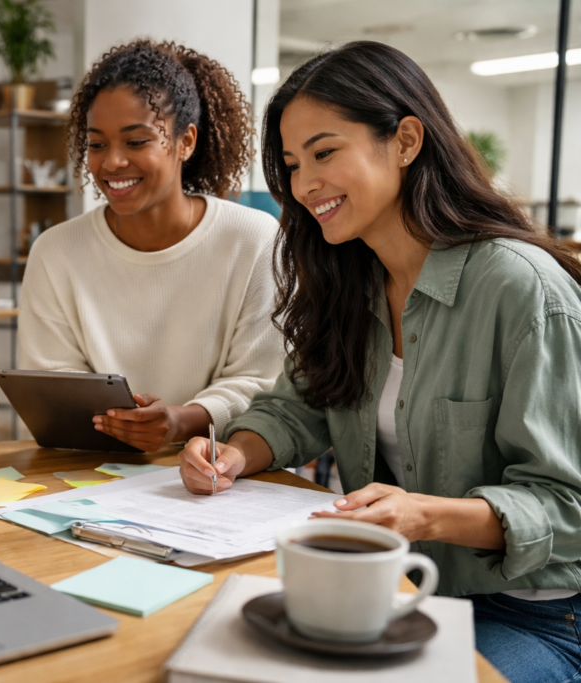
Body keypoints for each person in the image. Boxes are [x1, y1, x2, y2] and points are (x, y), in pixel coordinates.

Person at [177, 41, 581, 683]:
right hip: (398, 591)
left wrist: (424, 514)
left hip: (533, 615)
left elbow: (569, 507)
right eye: (291, 163)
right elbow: (298, 406)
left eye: (325, 152)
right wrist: (233, 453)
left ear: (407, 141)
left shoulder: (521, 287)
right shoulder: (351, 278)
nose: (305, 184)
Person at [18, 40, 285, 452]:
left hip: (222, 469)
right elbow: (53, 386)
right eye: (97, 144)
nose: (112, 163)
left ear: (186, 142)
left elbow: (262, 380)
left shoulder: (253, 238)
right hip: (93, 471)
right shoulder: (56, 251)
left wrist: (180, 420)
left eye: (136, 141)